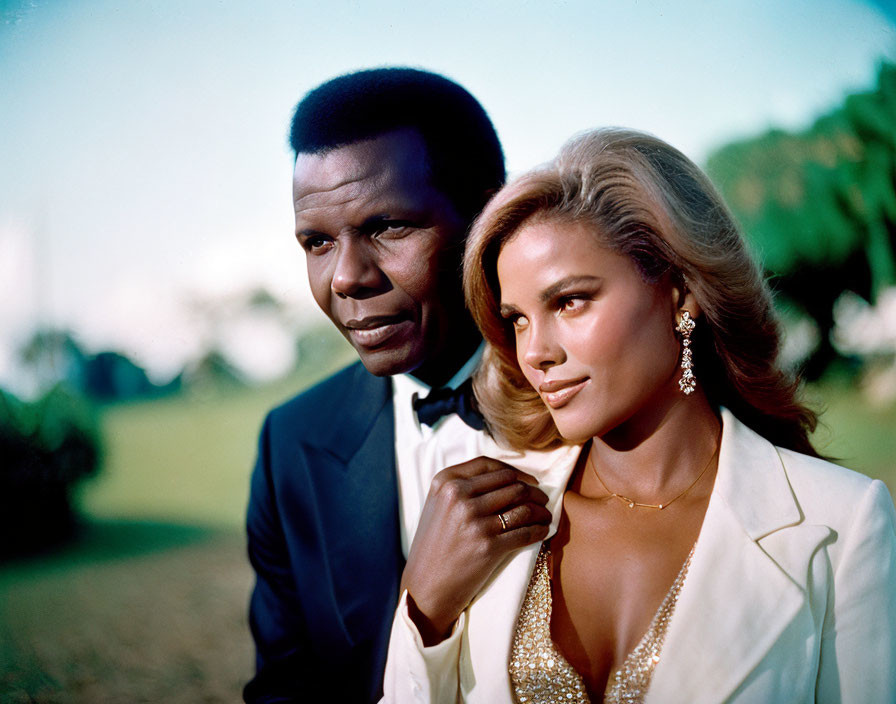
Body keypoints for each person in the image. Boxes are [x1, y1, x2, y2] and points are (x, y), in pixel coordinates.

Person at [383, 128, 896, 703]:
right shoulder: (486, 516)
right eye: (518, 319)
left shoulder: (842, 527)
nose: (534, 352)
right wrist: (423, 610)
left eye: (569, 300)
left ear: (680, 291)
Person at [244, 67, 560, 703]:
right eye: (318, 242)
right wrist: (422, 608)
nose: (347, 277)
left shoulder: (596, 400)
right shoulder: (292, 446)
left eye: (389, 227)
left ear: (487, 213)